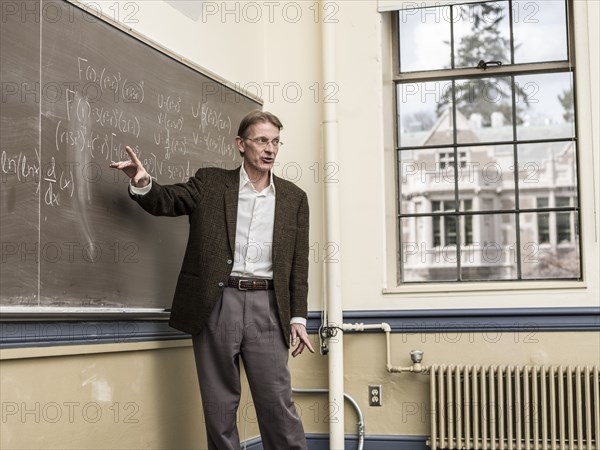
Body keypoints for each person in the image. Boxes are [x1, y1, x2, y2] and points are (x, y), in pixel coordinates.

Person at [110, 110, 314, 450]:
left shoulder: (294, 198)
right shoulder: (211, 182)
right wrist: (143, 181)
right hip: (217, 302)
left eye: (276, 142)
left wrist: (298, 316)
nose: (270, 149)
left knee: (277, 403)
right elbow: (169, 201)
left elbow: (299, 263)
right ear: (240, 144)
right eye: (262, 140)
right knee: (219, 406)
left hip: (268, 306)